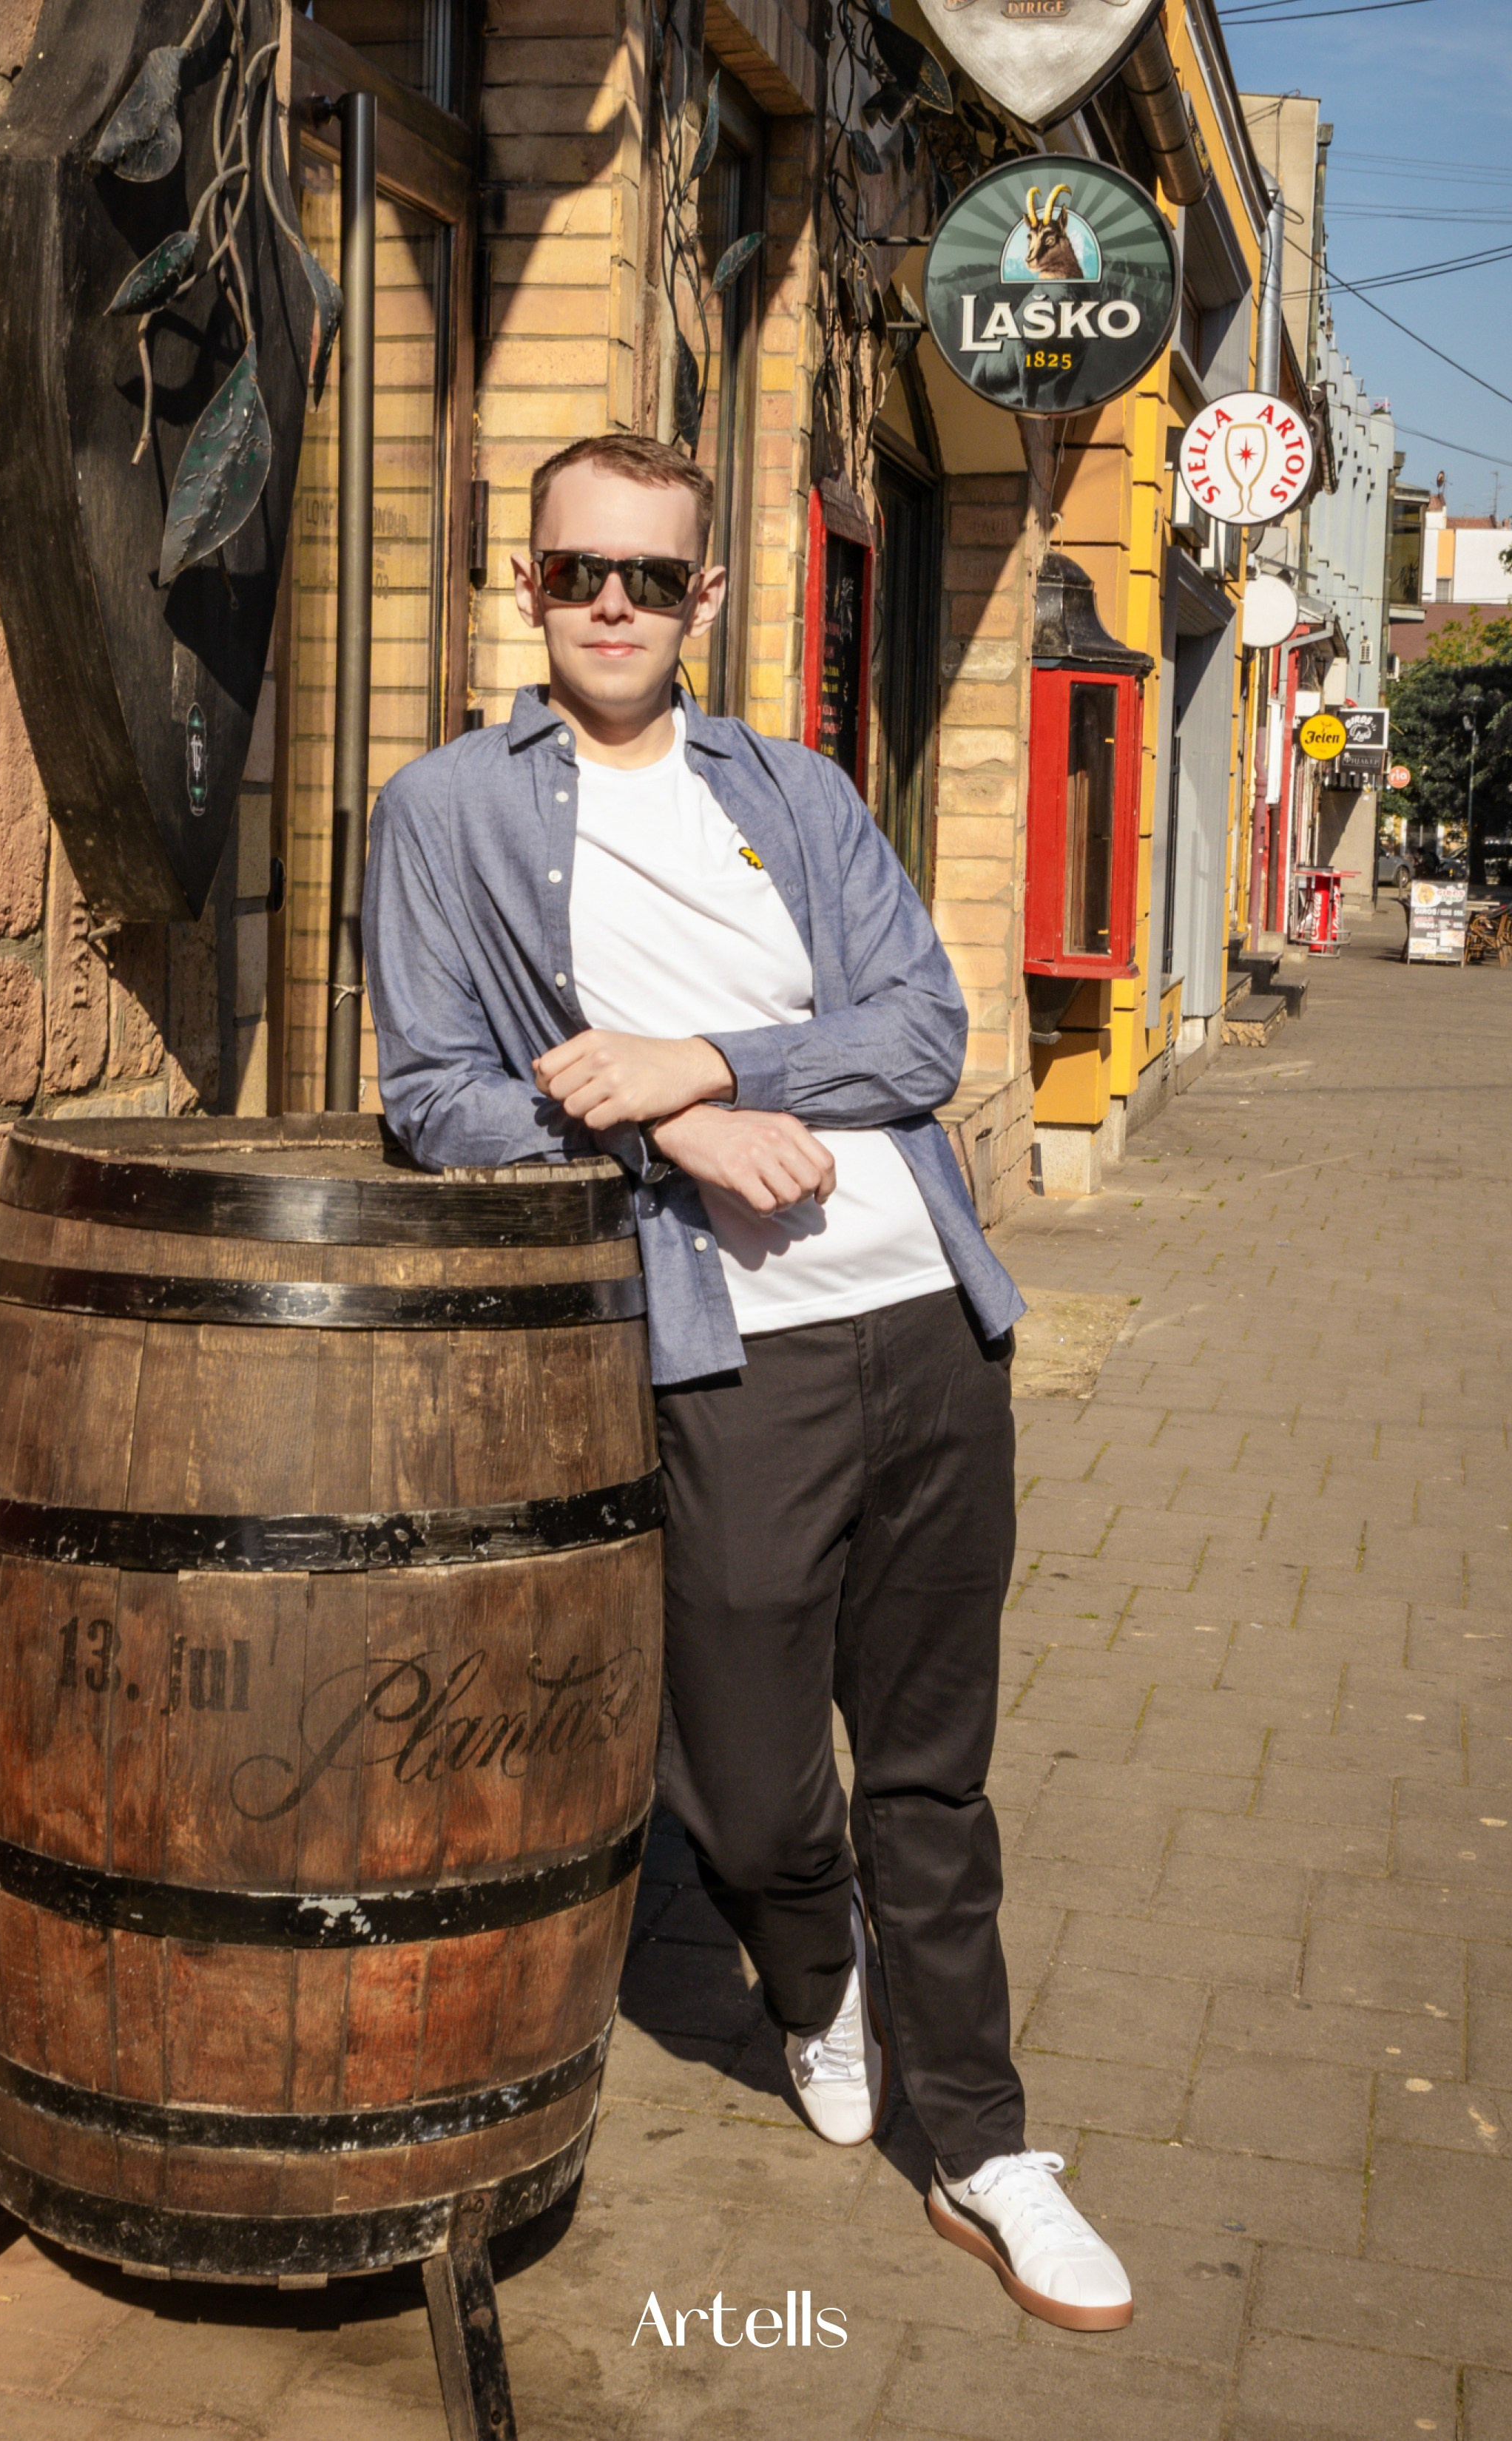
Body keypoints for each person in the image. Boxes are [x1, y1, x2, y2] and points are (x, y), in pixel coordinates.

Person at [362, 431, 1134, 2331]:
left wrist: (705, 1066)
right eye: (577, 573)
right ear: (526, 583)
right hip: (730, 1363)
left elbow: (923, 1033)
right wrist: (661, 1140)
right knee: (749, 1789)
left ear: (705, 594)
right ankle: (815, 1976)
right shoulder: (447, 812)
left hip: (929, 1329)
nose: (612, 606)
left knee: (931, 1778)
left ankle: (985, 2146)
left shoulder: (796, 790)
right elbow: (438, 1098)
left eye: (651, 576)